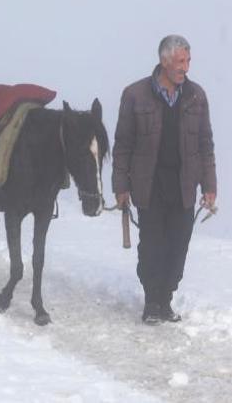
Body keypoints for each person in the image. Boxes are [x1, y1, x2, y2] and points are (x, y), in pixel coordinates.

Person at [112, 34, 216, 325]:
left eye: (188, 60)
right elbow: (123, 145)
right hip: (149, 185)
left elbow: (206, 144)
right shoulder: (135, 94)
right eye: (181, 61)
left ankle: (166, 298)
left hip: (183, 184)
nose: (186, 67)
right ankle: (151, 301)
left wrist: (209, 186)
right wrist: (121, 186)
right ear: (164, 60)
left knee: (178, 246)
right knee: (152, 246)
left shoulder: (197, 96)